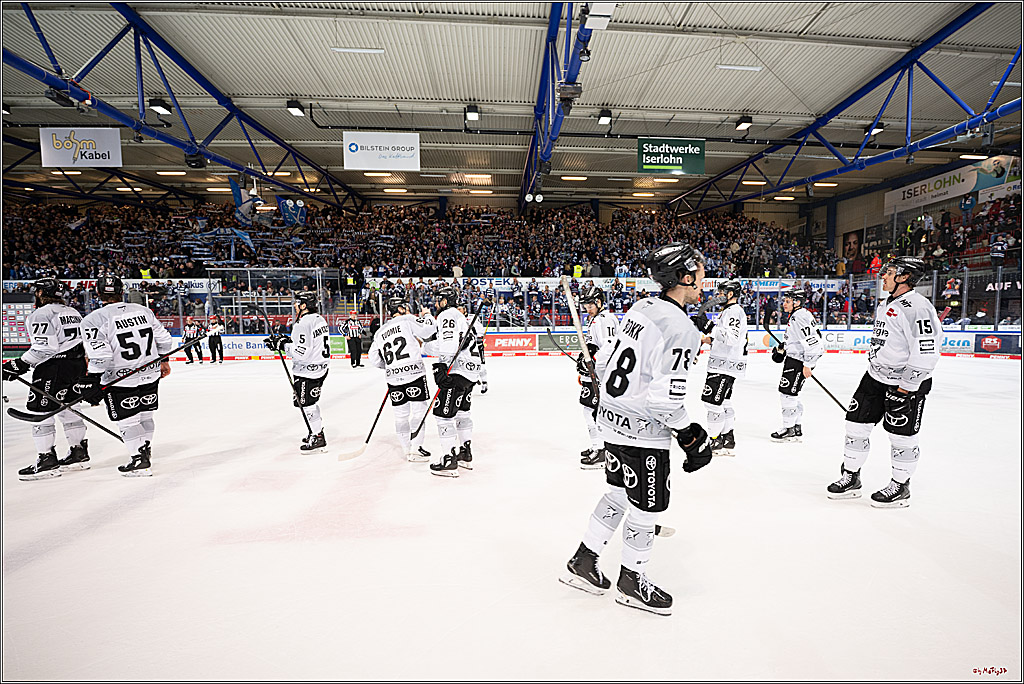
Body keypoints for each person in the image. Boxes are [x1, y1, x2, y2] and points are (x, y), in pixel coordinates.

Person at [560, 243, 713, 616]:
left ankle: (584, 561)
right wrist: (690, 434)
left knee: (616, 494)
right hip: (641, 432)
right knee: (646, 508)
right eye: (699, 270)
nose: (704, 276)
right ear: (685, 277)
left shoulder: (642, 307)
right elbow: (664, 402)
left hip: (610, 420)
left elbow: (619, 358)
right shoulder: (681, 329)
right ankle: (632, 581)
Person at [827, 256, 942, 507]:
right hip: (875, 377)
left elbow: (926, 351)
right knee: (855, 425)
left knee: (901, 435)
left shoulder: (918, 307)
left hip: (904, 384)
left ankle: (900, 486)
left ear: (904, 277)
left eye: (889, 272)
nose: (883, 276)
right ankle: (851, 477)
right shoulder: (886, 303)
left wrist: (905, 389)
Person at [79, 274, 174, 476]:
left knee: (128, 420)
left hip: (119, 378)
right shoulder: (143, 311)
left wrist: (93, 379)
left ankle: (139, 460)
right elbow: (165, 340)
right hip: (150, 372)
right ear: (122, 291)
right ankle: (144, 451)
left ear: (97, 293)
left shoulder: (93, 319)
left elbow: (101, 354)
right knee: (145, 415)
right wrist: (163, 360)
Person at [2, 277, 89, 480]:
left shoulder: (41, 314)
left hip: (53, 368)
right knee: (70, 409)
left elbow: (45, 347)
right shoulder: (73, 312)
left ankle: (47, 460)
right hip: (75, 365)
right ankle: (78, 452)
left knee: (40, 412)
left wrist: (19, 365)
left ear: (40, 293)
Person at [424, 286, 482, 477]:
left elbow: (448, 344)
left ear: (446, 300)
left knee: (443, 414)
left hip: (456, 371)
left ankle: (449, 460)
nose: (436, 303)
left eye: (439, 299)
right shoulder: (459, 317)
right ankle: (465, 453)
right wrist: (425, 345)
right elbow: (447, 342)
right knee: (463, 412)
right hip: (471, 372)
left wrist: (443, 367)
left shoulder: (447, 314)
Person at [369, 297, 437, 461]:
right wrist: (427, 315)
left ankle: (407, 448)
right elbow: (428, 331)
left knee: (400, 415)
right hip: (414, 374)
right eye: (404, 307)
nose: (407, 309)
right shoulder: (407, 319)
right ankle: (416, 448)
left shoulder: (380, 331)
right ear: (399, 309)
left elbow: (373, 357)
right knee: (419, 412)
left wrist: (390, 366)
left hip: (394, 378)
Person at [264, 291, 331, 453]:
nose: (294, 305)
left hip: (307, 371)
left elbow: (302, 352)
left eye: (297, 303)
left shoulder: (302, 323)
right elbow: (308, 343)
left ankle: (317, 435)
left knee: (307, 404)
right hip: (320, 368)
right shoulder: (319, 319)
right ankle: (314, 431)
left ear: (303, 306)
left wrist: (283, 345)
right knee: (308, 403)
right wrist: (287, 341)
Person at [701, 278, 748, 455]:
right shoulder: (730, 311)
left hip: (723, 366)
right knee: (724, 402)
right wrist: (709, 338)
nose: (718, 295)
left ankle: (715, 441)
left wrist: (709, 327)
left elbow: (732, 338)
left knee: (711, 403)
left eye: (722, 292)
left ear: (730, 294)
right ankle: (728, 437)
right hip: (728, 365)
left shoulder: (733, 312)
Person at [575, 284, 619, 469]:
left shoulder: (604, 319)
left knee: (591, 411)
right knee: (593, 410)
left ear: (600, 302)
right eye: (585, 305)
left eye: (590, 304)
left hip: (602, 374)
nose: (587, 308)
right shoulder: (597, 318)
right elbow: (595, 346)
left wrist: (592, 365)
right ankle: (599, 446)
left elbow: (609, 347)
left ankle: (600, 450)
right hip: (598, 373)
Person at [769, 287, 822, 441]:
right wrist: (784, 348)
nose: (784, 304)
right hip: (796, 359)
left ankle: (788, 428)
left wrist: (808, 364)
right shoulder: (799, 315)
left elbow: (815, 343)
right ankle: (796, 425)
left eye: (787, 301)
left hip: (798, 361)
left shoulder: (799, 317)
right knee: (792, 394)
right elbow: (798, 340)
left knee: (787, 394)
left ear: (797, 302)